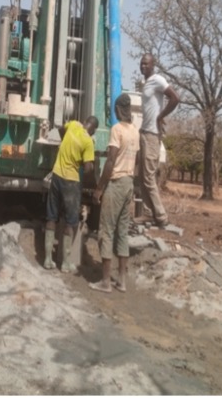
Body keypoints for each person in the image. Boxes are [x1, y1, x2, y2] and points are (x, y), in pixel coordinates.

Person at [89, 93, 140, 293]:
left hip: (116, 183)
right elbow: (137, 161)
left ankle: (105, 282)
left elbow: (110, 161)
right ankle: (122, 281)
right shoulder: (135, 132)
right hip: (129, 184)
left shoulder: (117, 130)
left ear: (119, 109)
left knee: (106, 231)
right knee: (122, 233)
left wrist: (99, 188)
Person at [44, 115, 99, 272]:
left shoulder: (73, 124)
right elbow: (88, 169)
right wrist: (83, 160)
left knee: (51, 217)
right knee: (70, 221)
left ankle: (48, 259)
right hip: (71, 181)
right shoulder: (88, 142)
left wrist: (66, 143)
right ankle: (66, 263)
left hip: (56, 175)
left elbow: (61, 130)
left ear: (85, 122)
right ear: (93, 129)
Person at [138, 53, 179, 228]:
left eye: (146, 64)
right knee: (142, 177)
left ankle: (161, 216)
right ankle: (148, 213)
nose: (143, 66)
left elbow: (175, 98)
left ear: (153, 65)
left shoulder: (158, 80)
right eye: (141, 63)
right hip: (144, 131)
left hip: (152, 134)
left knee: (148, 177)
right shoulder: (146, 83)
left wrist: (161, 116)